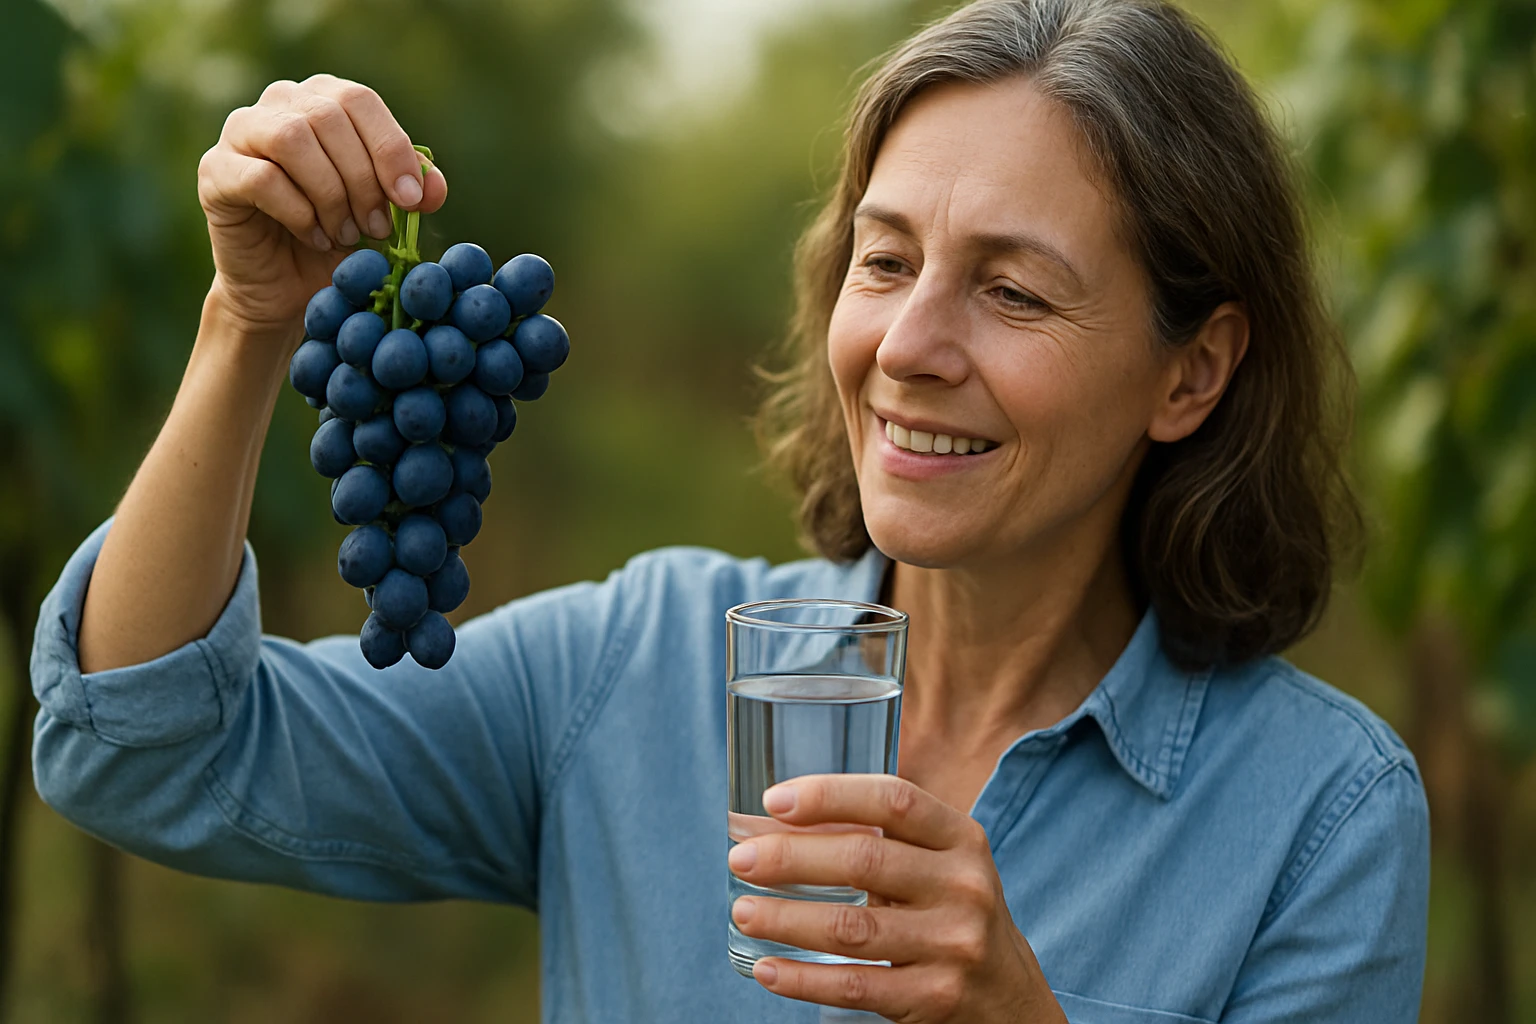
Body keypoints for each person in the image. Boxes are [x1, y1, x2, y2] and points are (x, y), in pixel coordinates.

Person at [30, 0, 1429, 1021]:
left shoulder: (1321, 816)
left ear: (1191, 372)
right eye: (887, 263)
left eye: (1011, 290)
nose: (911, 344)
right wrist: (247, 324)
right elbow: (148, 745)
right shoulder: (639, 664)